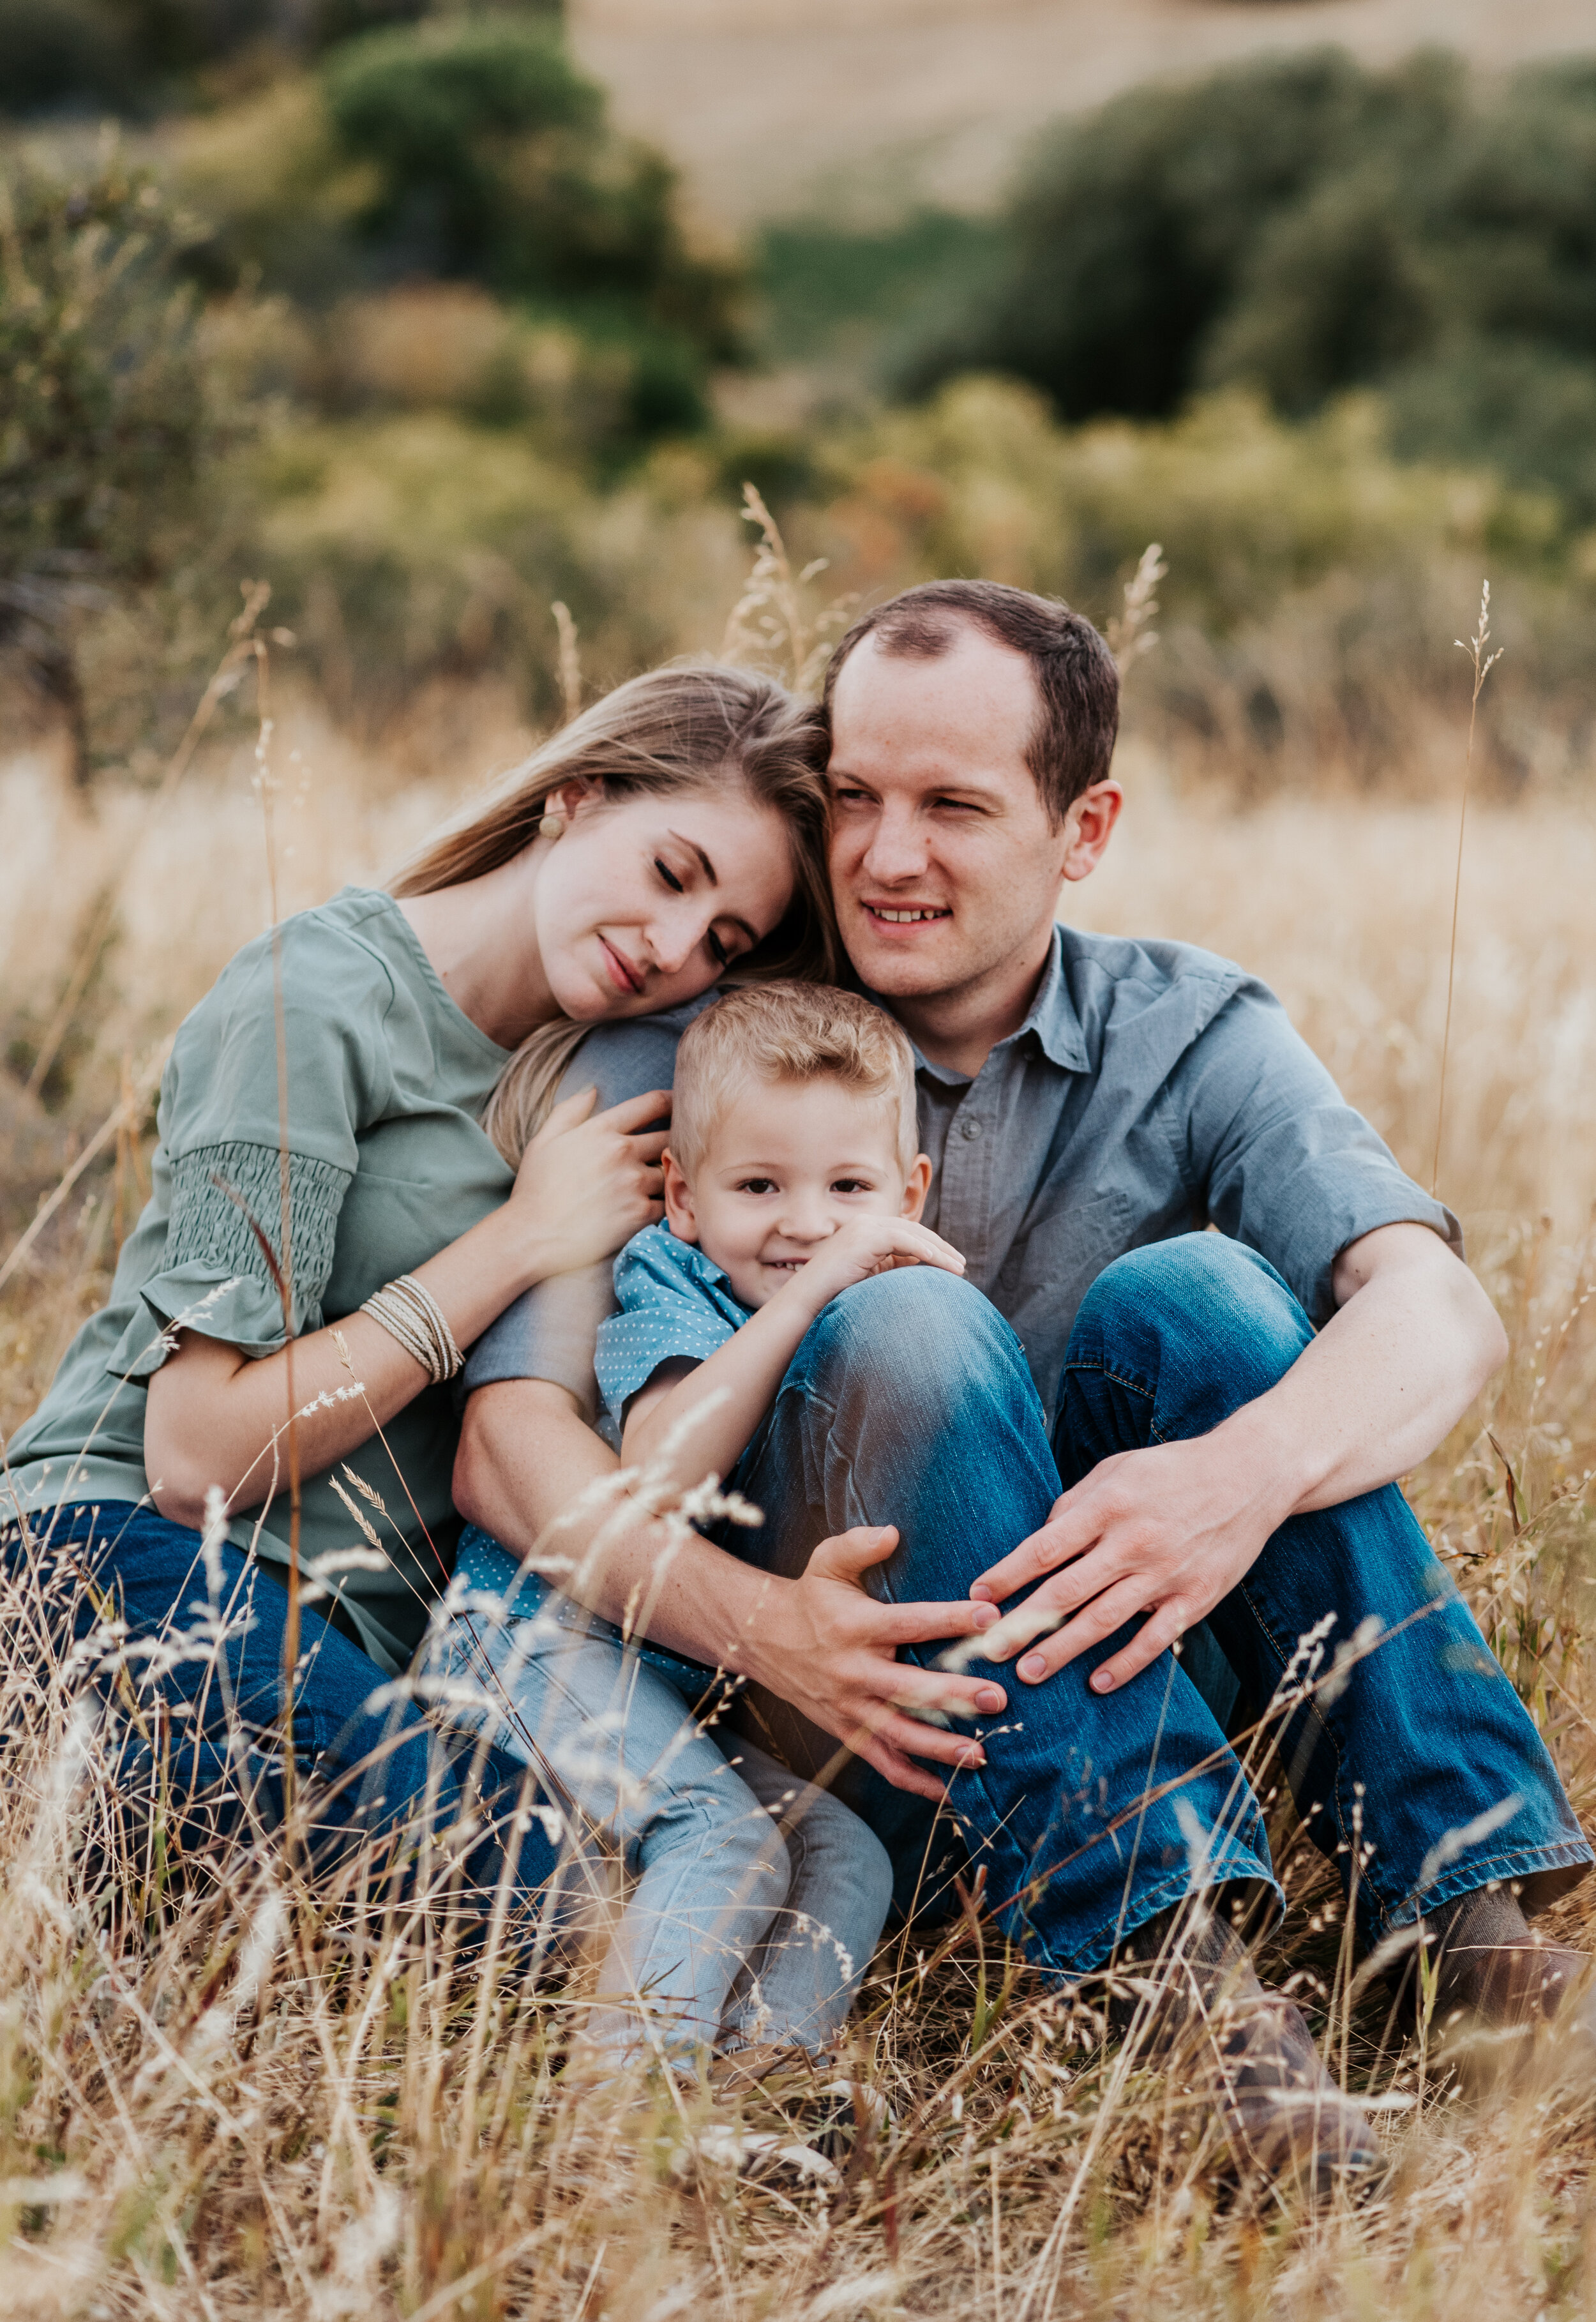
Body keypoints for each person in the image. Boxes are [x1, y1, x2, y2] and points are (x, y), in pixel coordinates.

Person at [454, 581, 1594, 2191]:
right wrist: (755, 1619)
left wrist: (1238, 1471)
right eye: (852, 796)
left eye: (952, 808)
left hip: (1121, 1681)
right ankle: (1181, 2004)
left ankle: (1465, 1931)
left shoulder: (1188, 1029)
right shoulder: (716, 1051)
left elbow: (1439, 1313)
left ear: (1083, 828)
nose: (883, 856)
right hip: (851, 1741)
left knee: (1195, 1298)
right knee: (906, 1327)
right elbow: (508, 1454)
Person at [1, 665, 838, 1904]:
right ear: (577, 794)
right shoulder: (314, 1000)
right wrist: (517, 1240)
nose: (669, 949)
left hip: (374, 1648)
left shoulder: (626, 1069)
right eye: (670, 873)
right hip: (115, 1550)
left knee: (730, 1869)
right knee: (537, 1899)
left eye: (719, 940)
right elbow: (194, 1454)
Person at [437, 983, 961, 2080]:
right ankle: (616, 2113)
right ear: (683, 1193)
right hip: (526, 1639)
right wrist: (812, 1291)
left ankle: (756, 2090)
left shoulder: (885, 1307)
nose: (806, 1221)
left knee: (843, 1857)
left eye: (848, 1188)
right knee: (718, 1836)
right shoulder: (673, 1282)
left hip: (650, 1680)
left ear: (911, 1192)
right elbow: (662, 1468)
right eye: (760, 1184)